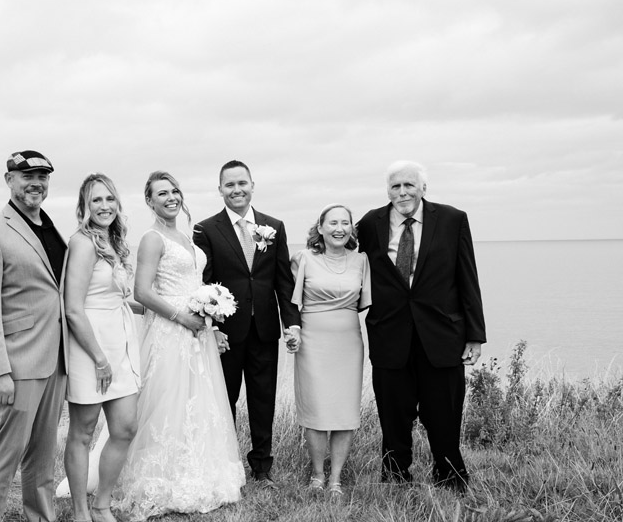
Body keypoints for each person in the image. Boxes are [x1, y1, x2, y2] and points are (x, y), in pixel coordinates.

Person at [0, 149, 85, 522]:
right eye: (27, 175)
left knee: (43, 449)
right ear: (9, 179)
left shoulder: (51, 228)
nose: (36, 182)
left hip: (56, 358)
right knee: (6, 450)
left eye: (42, 176)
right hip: (17, 362)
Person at [115, 171, 245, 520]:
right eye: (161, 193)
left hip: (196, 334)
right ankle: (160, 480)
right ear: (149, 201)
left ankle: (198, 473)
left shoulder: (186, 238)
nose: (171, 197)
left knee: (197, 403)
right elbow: (141, 292)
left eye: (174, 191)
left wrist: (209, 318)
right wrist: (180, 317)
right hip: (170, 333)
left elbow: (193, 286)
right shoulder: (152, 238)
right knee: (166, 403)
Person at [356, 161, 486, 492]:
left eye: (409, 185)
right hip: (389, 333)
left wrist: (475, 335)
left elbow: (466, 277)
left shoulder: (453, 219)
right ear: (388, 191)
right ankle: (395, 476)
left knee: (444, 410)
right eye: (396, 186)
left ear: (423, 188)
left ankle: (449, 475)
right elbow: (341, 253)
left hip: (441, 334)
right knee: (393, 412)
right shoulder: (371, 223)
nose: (403, 192)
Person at [193, 160, 301, 488]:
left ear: (252, 185)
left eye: (242, 183)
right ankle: (225, 465)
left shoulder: (274, 226)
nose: (237, 190)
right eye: (229, 185)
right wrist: (213, 329)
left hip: (265, 329)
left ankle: (262, 468)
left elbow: (283, 281)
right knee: (224, 399)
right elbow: (203, 284)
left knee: (262, 398)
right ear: (220, 190)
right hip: (226, 333)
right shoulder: (206, 229)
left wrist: (292, 323)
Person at [61, 173, 140, 522]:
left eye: (109, 198)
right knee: (83, 431)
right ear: (84, 207)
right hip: (90, 347)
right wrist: (98, 358)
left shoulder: (114, 241)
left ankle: (102, 506)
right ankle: (79, 520)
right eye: (96, 201)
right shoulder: (82, 243)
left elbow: (121, 297)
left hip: (119, 342)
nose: (104, 206)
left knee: (124, 427)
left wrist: (172, 311)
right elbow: (73, 308)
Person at [290, 204, 371, 496]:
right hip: (313, 340)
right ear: (320, 227)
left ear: (351, 229)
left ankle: (336, 478)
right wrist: (292, 332)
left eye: (345, 223)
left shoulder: (362, 261)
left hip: (348, 341)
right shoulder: (303, 259)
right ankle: (317, 474)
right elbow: (289, 302)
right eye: (333, 222)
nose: (339, 228)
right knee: (317, 408)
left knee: (344, 410)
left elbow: (368, 303)